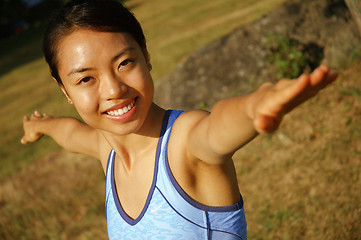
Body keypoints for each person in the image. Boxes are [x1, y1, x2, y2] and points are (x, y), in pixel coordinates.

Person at [20, 0, 338, 239]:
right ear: (64, 90)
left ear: (146, 56)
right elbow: (69, 132)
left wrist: (255, 106)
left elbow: (215, 128)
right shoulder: (108, 150)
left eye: (125, 62)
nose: (114, 89)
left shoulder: (183, 142)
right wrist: (40, 125)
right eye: (86, 80)